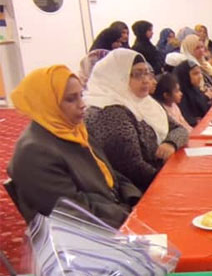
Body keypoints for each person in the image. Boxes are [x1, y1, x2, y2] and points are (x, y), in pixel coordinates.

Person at [7, 65, 140, 227]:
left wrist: (134, 199)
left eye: (81, 95)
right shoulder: (34, 153)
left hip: (113, 216)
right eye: (71, 99)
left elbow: (111, 174)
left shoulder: (72, 130)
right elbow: (75, 213)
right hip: (88, 236)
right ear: (47, 102)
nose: (82, 104)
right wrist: (129, 217)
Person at [84, 49, 188, 192]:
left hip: (161, 175)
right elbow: (133, 169)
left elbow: (179, 129)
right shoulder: (109, 113)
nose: (146, 80)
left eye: (147, 73)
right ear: (117, 77)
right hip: (143, 190)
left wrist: (171, 143)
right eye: (137, 74)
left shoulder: (144, 102)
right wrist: (172, 181)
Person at [174, 60, 211, 127]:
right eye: (195, 74)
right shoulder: (180, 94)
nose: (200, 76)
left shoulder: (194, 89)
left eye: (200, 73)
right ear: (185, 75)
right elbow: (188, 119)